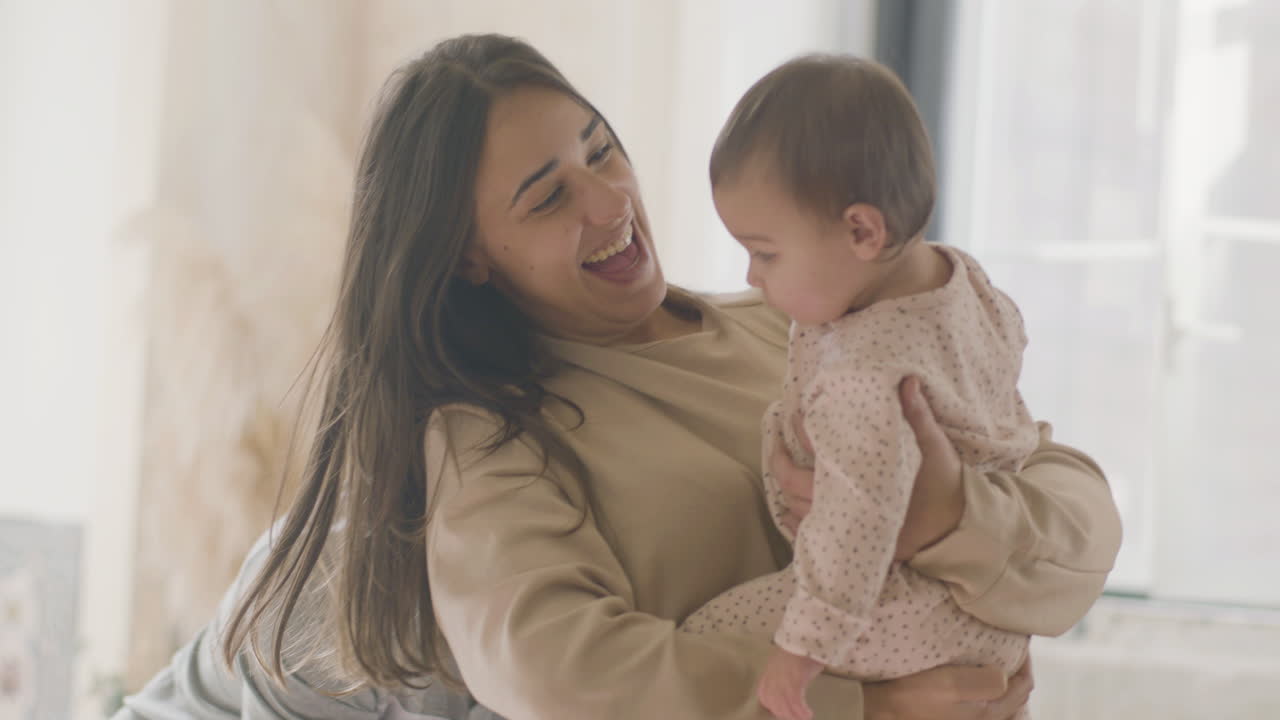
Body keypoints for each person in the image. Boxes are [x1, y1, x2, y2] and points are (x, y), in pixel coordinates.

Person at [114, 34, 1121, 720]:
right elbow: (564, 680)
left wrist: (950, 517)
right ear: (468, 255)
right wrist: (868, 703)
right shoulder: (485, 433)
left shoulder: (808, 326)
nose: (609, 202)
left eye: (600, 151)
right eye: (549, 196)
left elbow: (1071, 513)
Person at [681, 55, 1040, 720]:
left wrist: (801, 651)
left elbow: (857, 526)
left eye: (765, 252)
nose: (753, 277)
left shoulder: (859, 377)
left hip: (912, 602)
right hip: (993, 604)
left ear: (860, 231)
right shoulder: (962, 282)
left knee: (705, 637)